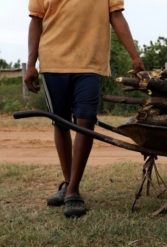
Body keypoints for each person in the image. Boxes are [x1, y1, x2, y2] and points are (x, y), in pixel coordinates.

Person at [24, 0, 144, 218]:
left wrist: (134, 55)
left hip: (90, 63)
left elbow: (116, 16)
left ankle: (73, 190)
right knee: (60, 123)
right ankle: (68, 182)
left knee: (85, 121)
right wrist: (31, 64)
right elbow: (36, 22)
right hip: (54, 63)